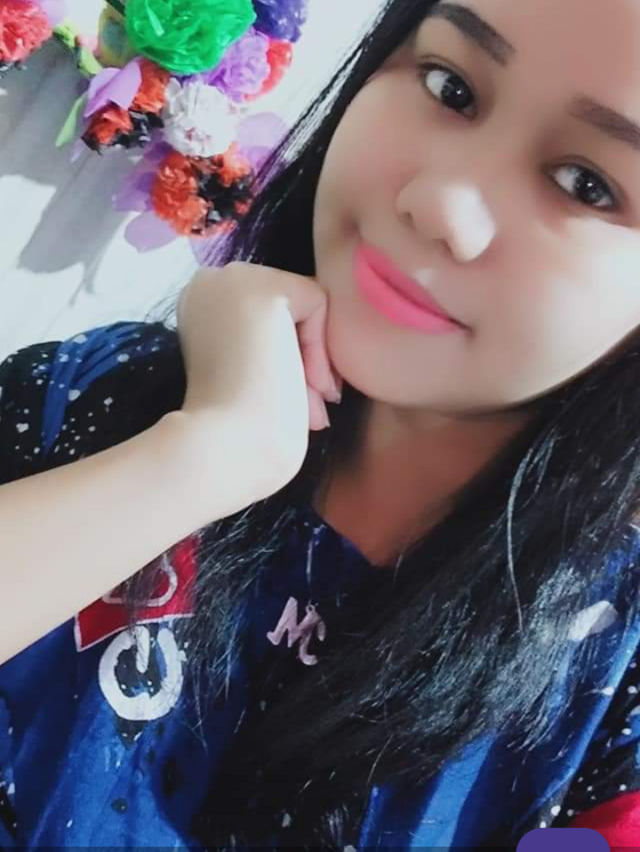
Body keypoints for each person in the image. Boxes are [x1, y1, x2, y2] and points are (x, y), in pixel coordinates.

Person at [2, 0, 640, 846]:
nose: (438, 204)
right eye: (450, 86)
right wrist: (202, 456)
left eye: (587, 184)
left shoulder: (614, 684)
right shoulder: (89, 396)